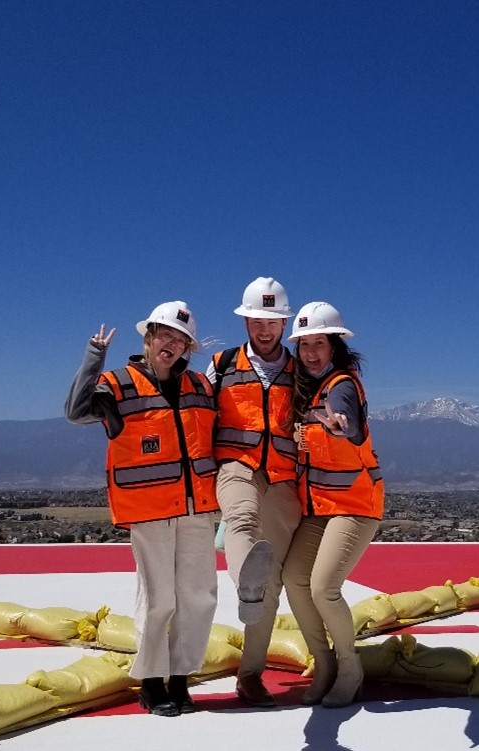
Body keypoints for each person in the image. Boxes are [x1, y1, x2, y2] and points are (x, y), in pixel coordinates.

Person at [65, 301, 220, 717]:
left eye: (180, 340)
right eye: (164, 336)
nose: (171, 345)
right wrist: (94, 357)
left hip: (197, 509)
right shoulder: (118, 386)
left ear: (188, 347)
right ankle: (152, 684)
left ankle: (181, 680)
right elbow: (76, 411)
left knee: (198, 597)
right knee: (158, 600)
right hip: (150, 511)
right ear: (148, 338)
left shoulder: (201, 390)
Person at [205, 277, 303, 708]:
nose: (265, 330)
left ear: (285, 324)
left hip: (283, 479)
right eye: (257, 321)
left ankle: (250, 676)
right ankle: (247, 585)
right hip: (235, 466)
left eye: (274, 321)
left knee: (275, 584)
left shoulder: (301, 372)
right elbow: (193, 414)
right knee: (241, 520)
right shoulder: (221, 365)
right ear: (245, 321)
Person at [280, 301, 383, 708]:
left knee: (324, 587)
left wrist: (340, 425)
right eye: (304, 344)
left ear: (334, 345)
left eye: (319, 343)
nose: (311, 352)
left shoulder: (341, 385)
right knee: (293, 578)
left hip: (355, 504)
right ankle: (322, 663)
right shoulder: (304, 388)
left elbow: (348, 422)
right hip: (318, 506)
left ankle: (349, 666)